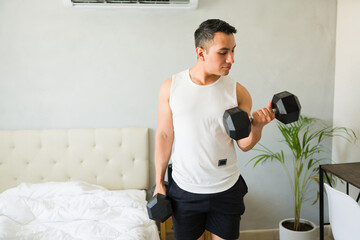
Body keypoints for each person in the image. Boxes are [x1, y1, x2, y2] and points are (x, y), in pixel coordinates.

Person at [153, 19, 275, 240]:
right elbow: (164, 135)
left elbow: (244, 144)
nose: (232, 59)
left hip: (226, 188)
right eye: (223, 52)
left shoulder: (238, 92)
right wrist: (159, 182)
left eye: (233, 51)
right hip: (184, 189)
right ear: (201, 53)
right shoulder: (171, 87)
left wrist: (257, 127)